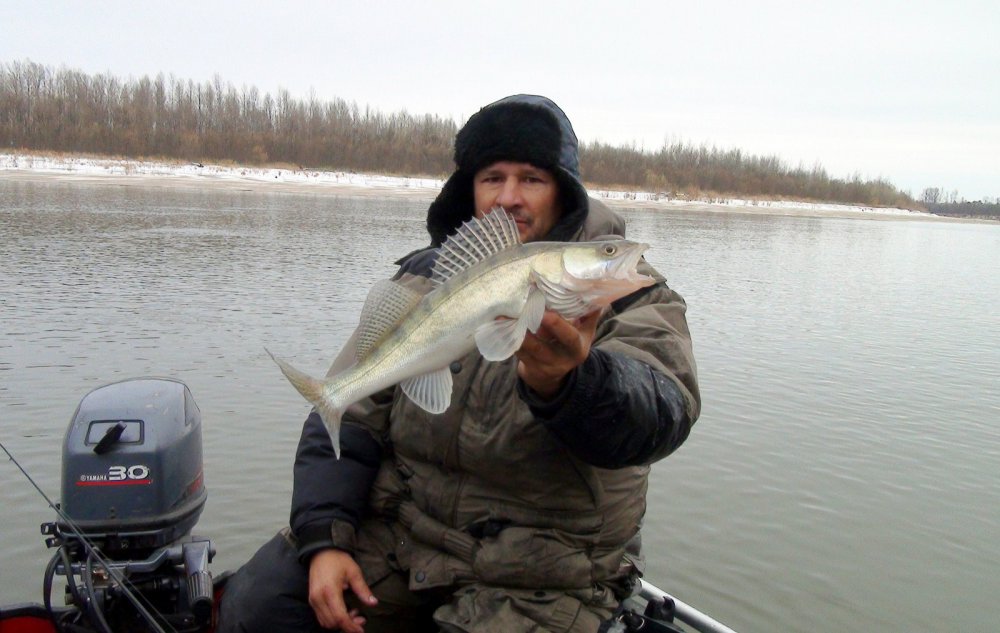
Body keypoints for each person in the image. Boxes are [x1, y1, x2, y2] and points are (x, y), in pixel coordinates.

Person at [218, 94, 700, 633]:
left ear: (564, 190)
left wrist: (572, 383)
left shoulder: (632, 297)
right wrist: (324, 537)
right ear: (469, 188)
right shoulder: (425, 279)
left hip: (543, 572)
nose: (509, 197)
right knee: (256, 609)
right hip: (408, 542)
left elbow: (662, 412)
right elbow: (350, 414)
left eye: (532, 178)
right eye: (492, 177)